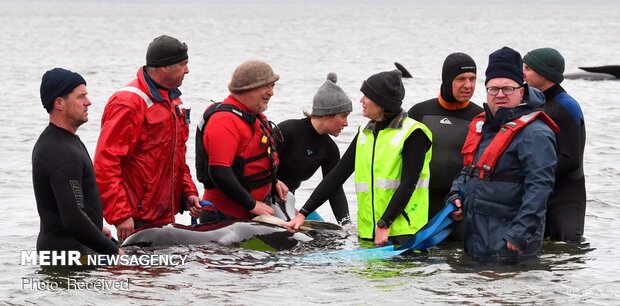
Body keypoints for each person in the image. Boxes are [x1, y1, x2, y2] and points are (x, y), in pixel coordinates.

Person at [286, 70, 433, 247]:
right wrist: (304, 213)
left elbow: (409, 183)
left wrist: (384, 223)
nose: (361, 100)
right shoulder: (365, 132)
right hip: (369, 233)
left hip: (404, 233)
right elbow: (337, 176)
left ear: (382, 102)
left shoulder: (413, 133)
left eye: (367, 96)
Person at [448, 47, 558, 263]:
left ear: (521, 90)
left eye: (507, 88)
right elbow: (469, 169)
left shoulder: (536, 133)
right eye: (493, 89)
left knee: (510, 296)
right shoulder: (484, 126)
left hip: (511, 242)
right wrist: (454, 196)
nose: (499, 95)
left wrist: (520, 233)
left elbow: (540, 187)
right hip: (477, 235)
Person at [94, 35, 200, 242]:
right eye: (183, 64)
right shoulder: (129, 102)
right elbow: (106, 163)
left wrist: (188, 192)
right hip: (136, 219)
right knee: (137, 274)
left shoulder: (172, 99)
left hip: (164, 216)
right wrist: (120, 216)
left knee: (167, 272)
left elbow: (176, 156)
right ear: (164, 68)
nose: (187, 70)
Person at [33, 68, 121, 256]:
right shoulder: (60, 151)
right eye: (81, 97)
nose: (88, 102)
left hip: (74, 250)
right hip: (70, 259)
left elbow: (74, 206)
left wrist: (96, 228)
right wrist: (113, 252)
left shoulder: (62, 141)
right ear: (59, 103)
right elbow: (73, 219)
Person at [196, 60, 288, 222]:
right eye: (265, 86)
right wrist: (252, 204)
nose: (271, 92)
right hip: (223, 217)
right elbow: (219, 171)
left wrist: (273, 182)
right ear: (247, 88)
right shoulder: (224, 121)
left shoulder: (251, 116)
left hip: (250, 216)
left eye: (272, 86)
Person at [407, 52, 483, 241]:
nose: (468, 85)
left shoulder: (480, 117)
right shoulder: (420, 112)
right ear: (447, 80)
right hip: (421, 205)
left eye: (473, 78)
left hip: (458, 206)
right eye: (461, 79)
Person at [523, 48, 587, 243]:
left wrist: (532, 174)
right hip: (540, 194)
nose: (522, 72)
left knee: (565, 255)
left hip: (566, 196)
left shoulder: (566, 106)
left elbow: (571, 159)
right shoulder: (535, 104)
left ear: (544, 74)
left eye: (527, 68)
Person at [276, 72, 352, 225]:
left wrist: (346, 224)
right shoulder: (287, 130)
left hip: (286, 203)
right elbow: (257, 167)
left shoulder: (330, 149)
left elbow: (334, 188)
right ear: (327, 114)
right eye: (343, 116)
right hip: (261, 199)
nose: (346, 123)